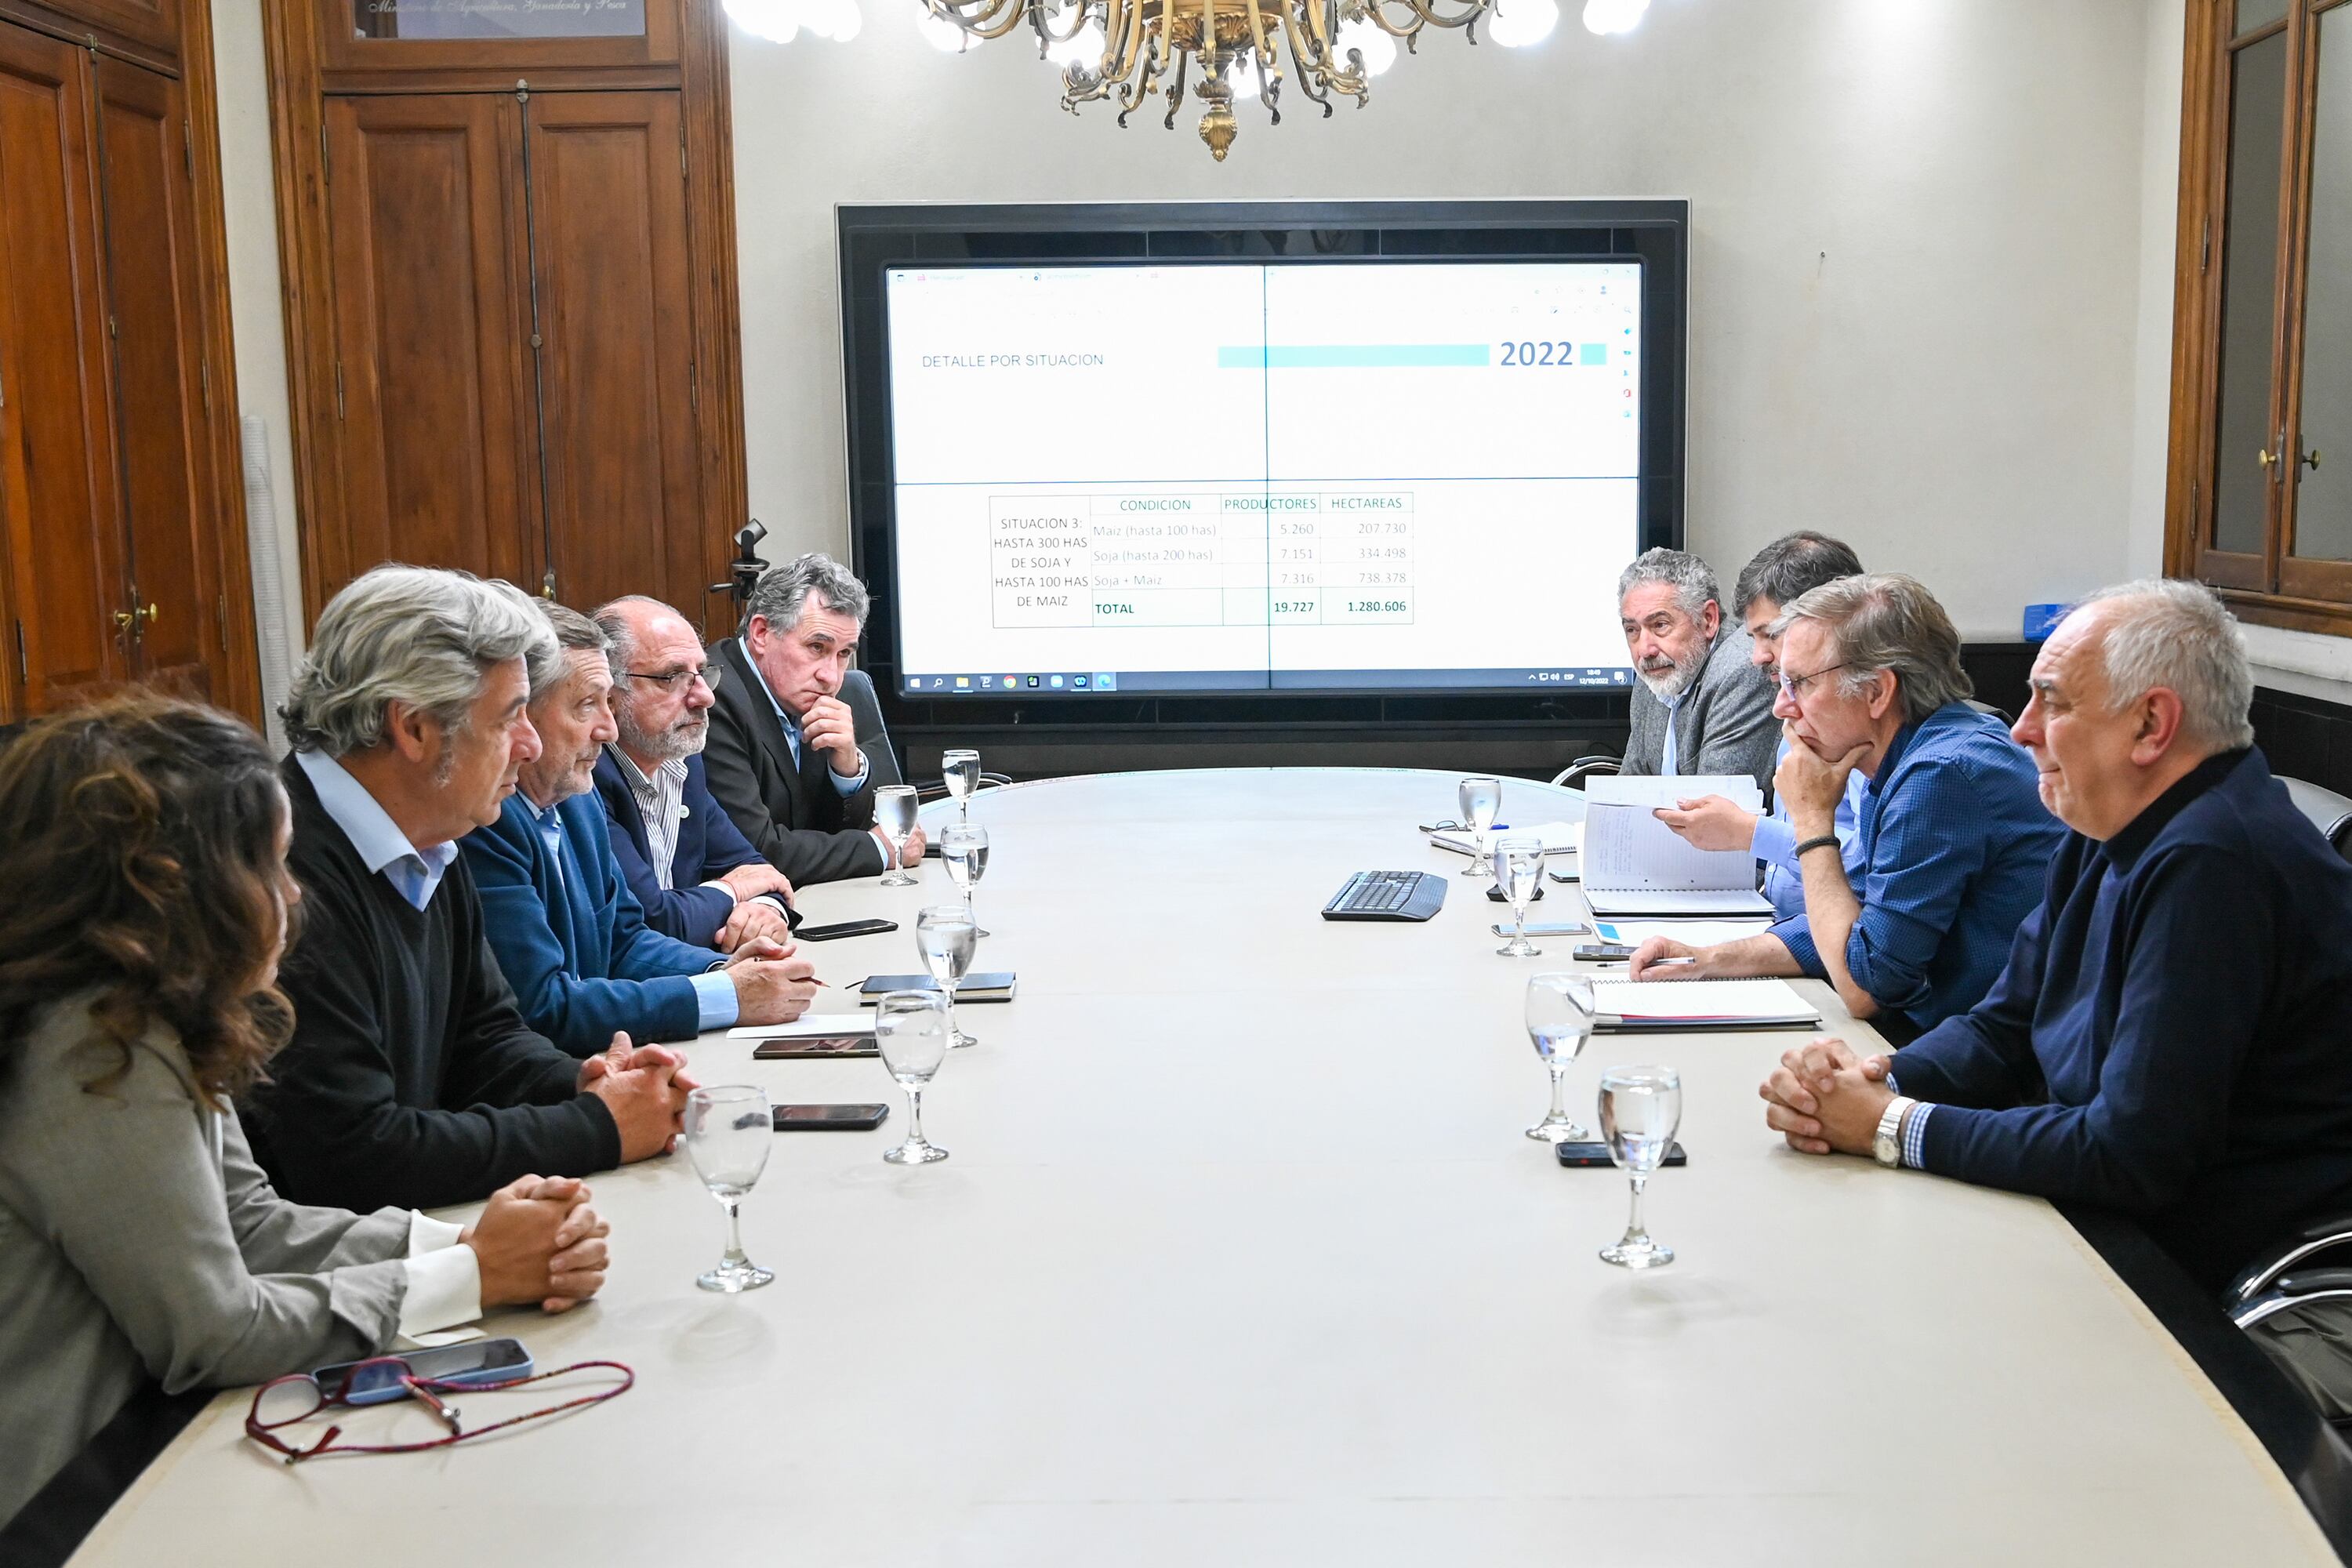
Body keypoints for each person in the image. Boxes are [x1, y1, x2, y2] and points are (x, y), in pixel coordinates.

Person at [0, 698, 610, 1529]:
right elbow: (212, 1330)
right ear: (176, 882)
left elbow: (248, 1221)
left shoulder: (152, 1010)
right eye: (271, 865)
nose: (293, 894)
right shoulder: (95, 1042)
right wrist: (472, 1275)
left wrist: (462, 1245)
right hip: (77, 1502)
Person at [1755, 581, 2352, 1414]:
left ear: (2152, 724)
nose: (2023, 729)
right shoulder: (2111, 827)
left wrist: (1891, 1128)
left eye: (2051, 702)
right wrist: (1878, 1078)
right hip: (2102, 1225)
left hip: (2203, 1270)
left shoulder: (2216, 860)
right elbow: (2007, 1025)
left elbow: (2130, 1152)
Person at [243, 565, 695, 1214]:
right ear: (416, 728)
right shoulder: (286, 876)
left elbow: (485, 1041)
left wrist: (584, 1082)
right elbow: (353, 1155)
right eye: (511, 715)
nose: (530, 743)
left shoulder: (430, 829)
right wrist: (597, 1126)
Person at [1628, 573, 2062, 1036]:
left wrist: (1814, 819)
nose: (1781, 707)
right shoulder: (1907, 756)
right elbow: (1848, 917)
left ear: (1877, 692)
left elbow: (1865, 987)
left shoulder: (1941, 772)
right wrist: (1708, 960)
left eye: (1799, 684)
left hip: (1996, 1069)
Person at [462, 604, 818, 1056]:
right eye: (589, 704)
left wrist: (724, 971)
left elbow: (624, 940)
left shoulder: (577, 797)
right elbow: (540, 1009)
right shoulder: (487, 820)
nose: (608, 730)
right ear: (523, 715)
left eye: (608, 703)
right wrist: (726, 994)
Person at [1652, 532, 1871, 918]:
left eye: (1769, 635)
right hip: (1786, 928)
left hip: (1829, 952)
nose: (1757, 658)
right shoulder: (1796, 713)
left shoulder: (1860, 723)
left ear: (1829, 621)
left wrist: (1751, 832)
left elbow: (1871, 870)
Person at [590, 595, 797, 951]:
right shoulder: (587, 776)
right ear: (609, 693)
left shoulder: (683, 762)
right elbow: (652, 920)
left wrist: (765, 909)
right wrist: (734, 890)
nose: (704, 697)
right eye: (672, 677)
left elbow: (755, 869)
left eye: (701, 673)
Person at [705, 553, 923, 886]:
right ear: (762, 632)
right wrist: (880, 848)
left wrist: (846, 767)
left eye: (844, 654)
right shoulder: (712, 698)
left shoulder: (813, 693)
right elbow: (755, 852)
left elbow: (828, 829)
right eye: (817, 647)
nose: (831, 676)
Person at [1616, 546, 1780, 792]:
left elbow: (1714, 810)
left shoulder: (1742, 671)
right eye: (1632, 630)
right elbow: (1626, 793)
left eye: (1660, 625)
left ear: (1708, 619)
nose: (1645, 650)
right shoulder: (1653, 678)